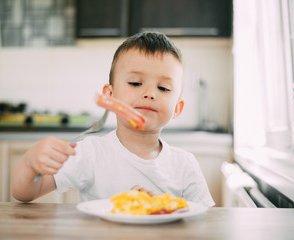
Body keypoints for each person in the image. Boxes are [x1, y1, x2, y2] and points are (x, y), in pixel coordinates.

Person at [11, 32, 215, 207]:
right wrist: (30, 163)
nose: (150, 93)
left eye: (163, 88)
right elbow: (25, 193)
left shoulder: (185, 165)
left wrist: (158, 206)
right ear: (110, 95)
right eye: (135, 83)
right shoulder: (90, 153)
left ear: (177, 108)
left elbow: (204, 220)